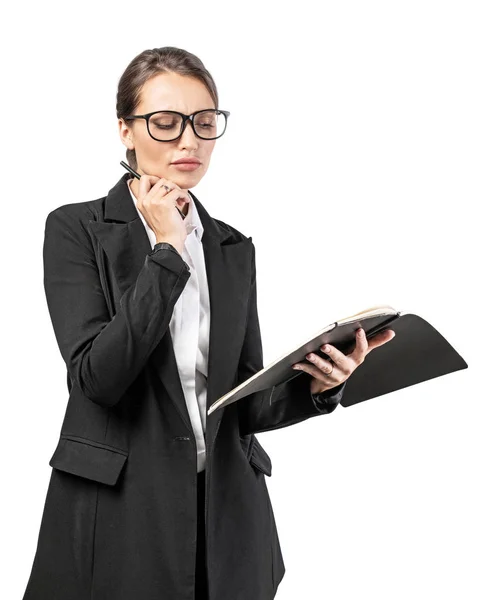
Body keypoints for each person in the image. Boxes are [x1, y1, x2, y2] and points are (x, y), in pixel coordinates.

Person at [21, 46, 395, 600]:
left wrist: (318, 388)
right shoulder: (76, 228)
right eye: (166, 123)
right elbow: (98, 379)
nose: (189, 141)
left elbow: (244, 402)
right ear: (125, 131)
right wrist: (167, 251)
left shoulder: (230, 246)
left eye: (204, 122)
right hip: (122, 515)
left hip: (226, 517)